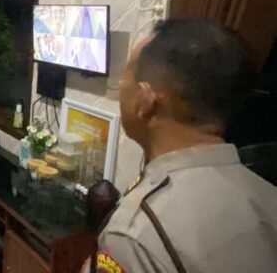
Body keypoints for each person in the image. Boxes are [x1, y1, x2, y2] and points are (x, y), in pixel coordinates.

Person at [86, 19, 277, 273]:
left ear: (145, 100)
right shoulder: (267, 195)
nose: (120, 88)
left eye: (124, 79)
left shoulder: (134, 233)